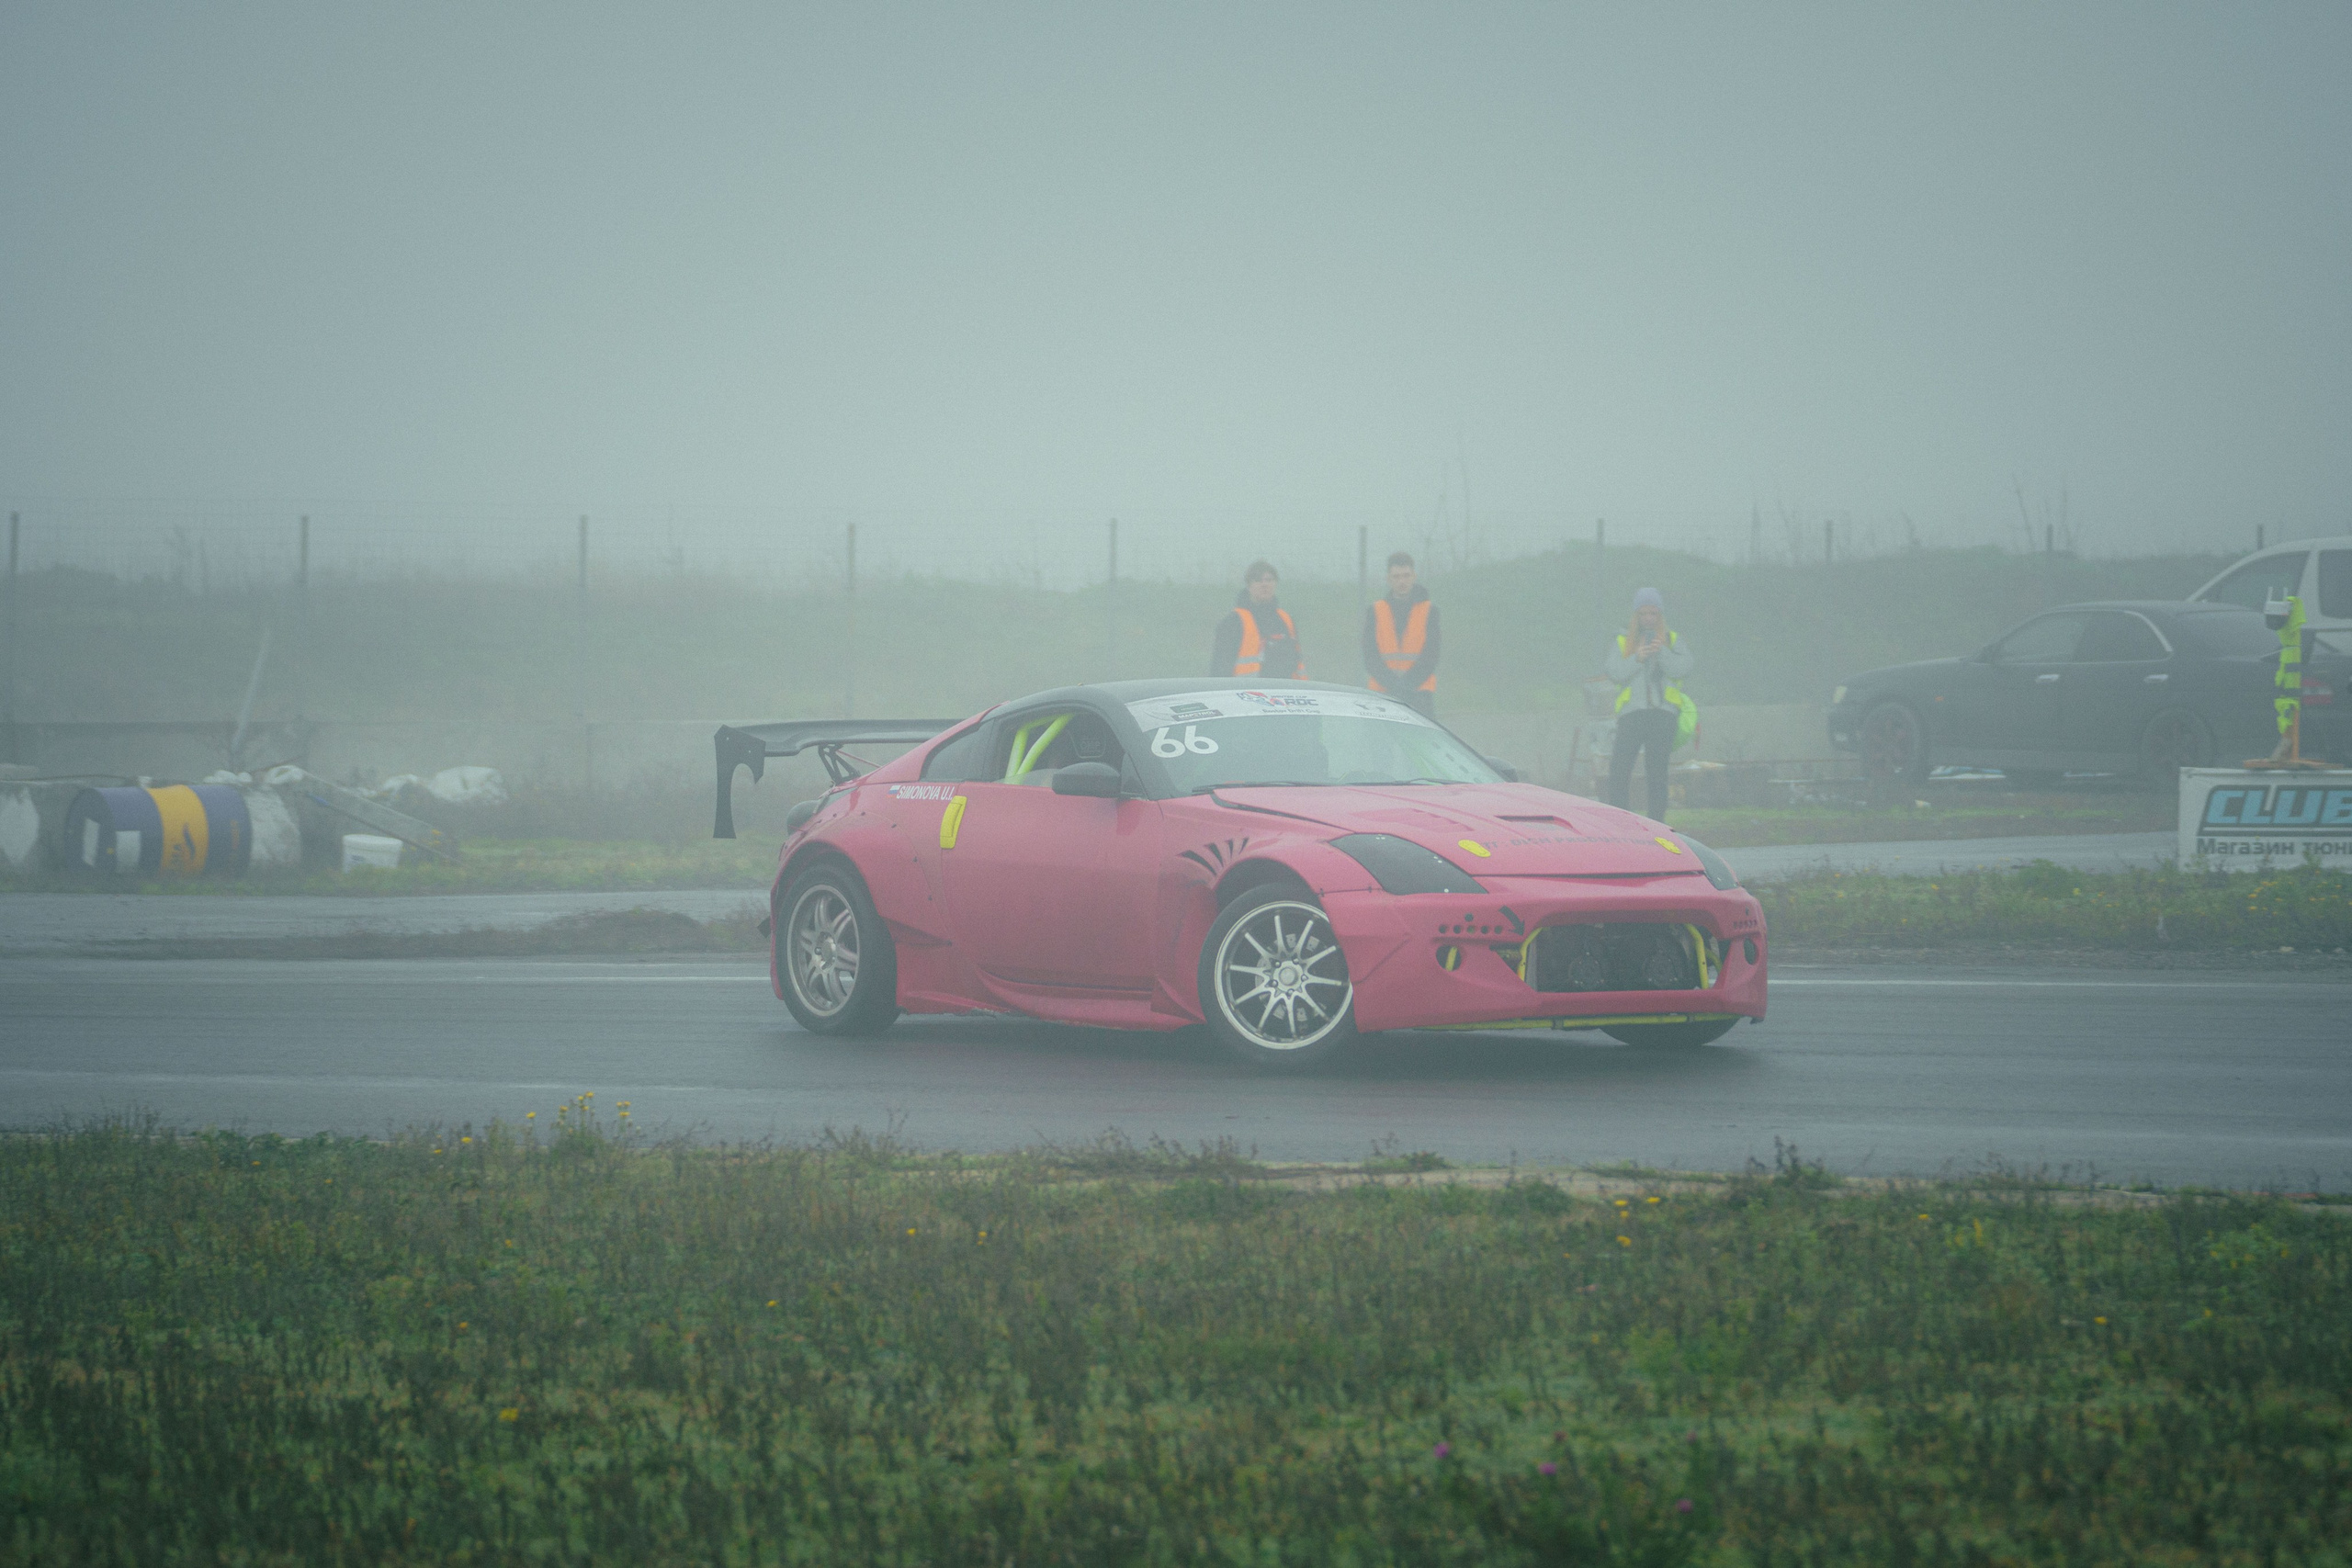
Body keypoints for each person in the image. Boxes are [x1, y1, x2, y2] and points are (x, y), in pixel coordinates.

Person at [1603, 586, 1695, 821]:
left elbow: (1683, 668)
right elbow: (1614, 672)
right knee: (1619, 770)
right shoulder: (1622, 640)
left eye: (1653, 614)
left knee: (1657, 773)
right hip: (1632, 715)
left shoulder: (1673, 640)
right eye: (1643, 614)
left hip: (1663, 716)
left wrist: (1661, 651)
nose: (1648, 619)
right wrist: (1638, 657)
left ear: (1660, 615)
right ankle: (1621, 820)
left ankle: (1657, 823)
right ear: (1636, 616)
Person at [1360, 550, 1441, 718]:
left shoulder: (1430, 611)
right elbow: (1370, 655)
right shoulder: (1375, 611)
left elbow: (1431, 655)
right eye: (1396, 577)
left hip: (1419, 695)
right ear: (1388, 579)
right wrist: (1394, 685)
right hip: (1382, 693)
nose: (1401, 581)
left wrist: (1406, 685)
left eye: (1406, 576)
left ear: (1414, 576)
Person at [1210, 559, 1305, 679]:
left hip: (1284, 694)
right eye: (1258, 580)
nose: (1264, 585)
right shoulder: (1233, 622)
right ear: (1249, 585)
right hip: (1245, 694)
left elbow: (1298, 664)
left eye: (1269, 580)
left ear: (1275, 583)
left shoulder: (1286, 620)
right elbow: (1220, 667)